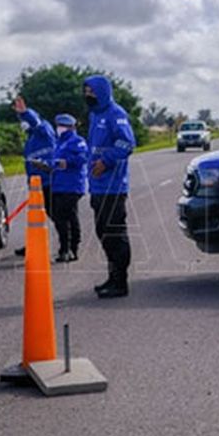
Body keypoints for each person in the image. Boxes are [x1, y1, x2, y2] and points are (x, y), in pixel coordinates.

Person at [83, 75, 136, 297]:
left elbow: (127, 144)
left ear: (102, 92)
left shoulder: (116, 114)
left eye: (91, 91)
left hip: (113, 186)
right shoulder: (95, 115)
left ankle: (120, 282)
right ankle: (112, 277)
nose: (87, 95)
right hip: (97, 186)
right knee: (103, 232)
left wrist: (106, 162)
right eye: (85, 91)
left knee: (114, 234)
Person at [12, 96, 57, 257]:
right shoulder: (31, 138)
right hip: (35, 182)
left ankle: (68, 244)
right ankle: (34, 243)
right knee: (36, 217)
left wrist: (25, 113)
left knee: (56, 214)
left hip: (48, 180)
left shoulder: (44, 130)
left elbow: (37, 124)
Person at [49, 113, 87, 262]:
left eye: (63, 126)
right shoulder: (58, 143)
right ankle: (64, 248)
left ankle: (71, 249)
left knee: (68, 217)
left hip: (72, 185)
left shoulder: (77, 141)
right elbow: (55, 161)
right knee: (60, 218)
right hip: (58, 185)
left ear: (71, 127)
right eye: (59, 125)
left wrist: (68, 162)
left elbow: (83, 157)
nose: (59, 128)